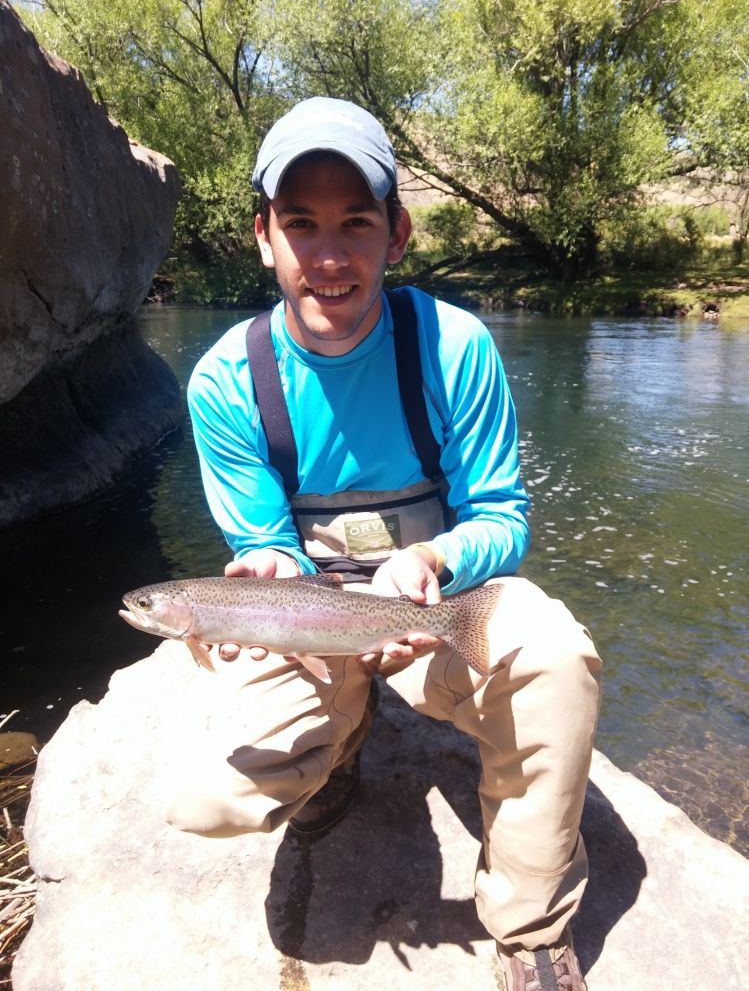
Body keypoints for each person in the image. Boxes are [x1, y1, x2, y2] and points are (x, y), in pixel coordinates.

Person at [171, 97, 602, 991]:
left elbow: (502, 515)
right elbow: (263, 540)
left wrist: (435, 562)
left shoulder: (453, 345)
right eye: (300, 225)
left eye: (355, 224)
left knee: (556, 656)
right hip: (310, 620)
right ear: (263, 237)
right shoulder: (224, 379)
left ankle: (527, 925)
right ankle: (342, 731)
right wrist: (264, 569)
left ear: (396, 234)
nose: (328, 258)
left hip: (432, 603)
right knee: (205, 803)